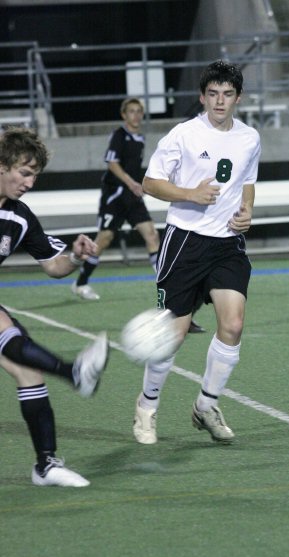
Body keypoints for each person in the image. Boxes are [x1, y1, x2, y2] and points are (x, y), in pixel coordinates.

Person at [133, 60, 261, 445]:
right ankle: (147, 406)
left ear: (237, 97)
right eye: (213, 94)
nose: (219, 101)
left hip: (228, 244)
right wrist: (190, 193)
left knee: (233, 325)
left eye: (227, 94)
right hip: (185, 242)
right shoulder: (183, 135)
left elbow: (248, 180)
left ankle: (206, 405)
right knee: (173, 335)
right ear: (203, 97)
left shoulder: (250, 138)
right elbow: (149, 183)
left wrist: (248, 212)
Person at [0, 127, 109, 487]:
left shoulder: (19, 217)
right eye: (24, 172)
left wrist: (76, 258)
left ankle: (46, 465)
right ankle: (74, 372)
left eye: (34, 176)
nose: (29, 182)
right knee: (11, 338)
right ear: (1, 166)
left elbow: (53, 265)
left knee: (27, 371)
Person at [70, 96, 205, 333]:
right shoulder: (119, 135)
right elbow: (112, 163)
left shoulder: (140, 138)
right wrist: (132, 183)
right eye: (131, 111)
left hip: (132, 197)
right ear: (124, 115)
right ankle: (80, 283)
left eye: (138, 111)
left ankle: (161, 279)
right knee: (104, 240)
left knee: (151, 234)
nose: (135, 115)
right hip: (115, 196)